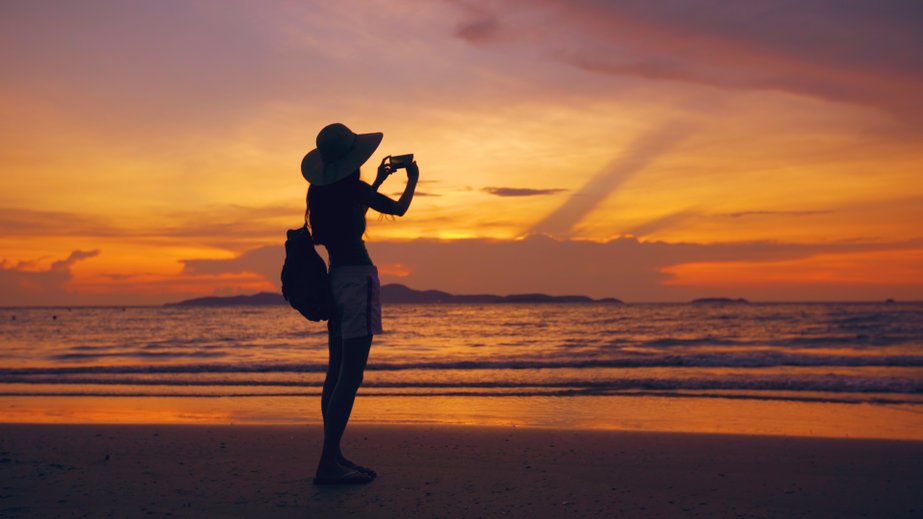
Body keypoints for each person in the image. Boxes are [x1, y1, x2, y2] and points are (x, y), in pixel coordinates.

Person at [301, 122, 418, 485]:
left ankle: (333, 455)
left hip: (336, 280)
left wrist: (377, 183)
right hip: (357, 280)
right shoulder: (354, 190)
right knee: (350, 376)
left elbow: (351, 214)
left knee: (335, 372)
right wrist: (412, 177)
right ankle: (327, 463)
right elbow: (397, 210)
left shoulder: (319, 195)